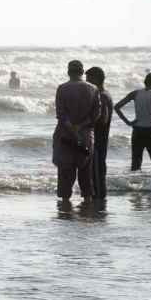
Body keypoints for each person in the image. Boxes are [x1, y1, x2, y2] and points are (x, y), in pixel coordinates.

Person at [53, 60, 100, 204]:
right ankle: (87, 202)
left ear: (68, 72)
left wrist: (71, 127)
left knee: (65, 173)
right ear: (82, 72)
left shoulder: (62, 88)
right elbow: (95, 115)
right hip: (85, 136)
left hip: (65, 136)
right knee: (85, 172)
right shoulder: (93, 89)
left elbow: (61, 114)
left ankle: (65, 203)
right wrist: (80, 127)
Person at [113, 72, 151, 171]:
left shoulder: (135, 93)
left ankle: (134, 184)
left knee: (136, 162)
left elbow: (117, 107)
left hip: (137, 130)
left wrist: (128, 122)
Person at [86, 67, 112, 200]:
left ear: (96, 79)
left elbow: (103, 119)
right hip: (100, 141)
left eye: (88, 79)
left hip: (98, 141)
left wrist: (86, 123)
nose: (87, 83)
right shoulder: (103, 94)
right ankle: (99, 202)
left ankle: (99, 204)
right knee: (98, 173)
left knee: (97, 174)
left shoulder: (101, 95)